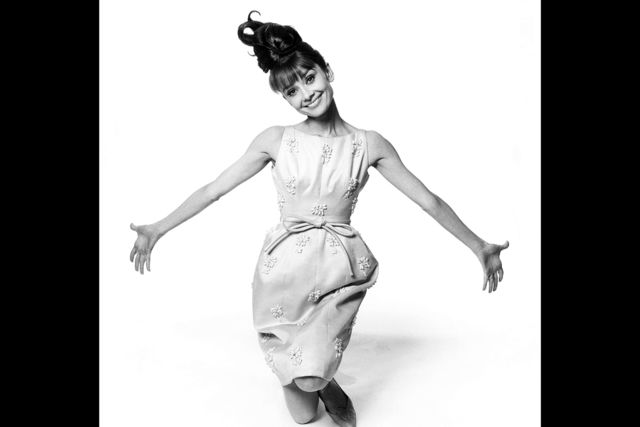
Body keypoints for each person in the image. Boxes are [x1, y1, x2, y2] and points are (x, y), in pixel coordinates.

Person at [129, 10, 509, 427]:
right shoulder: (276, 139)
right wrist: (157, 228)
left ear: (327, 71)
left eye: (309, 78)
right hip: (283, 272)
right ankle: (315, 377)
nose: (305, 94)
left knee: (311, 376)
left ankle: (319, 375)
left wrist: (479, 246)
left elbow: (429, 201)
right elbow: (213, 190)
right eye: (292, 91)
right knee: (303, 418)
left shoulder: (369, 144)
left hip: (336, 269)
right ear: (285, 100)